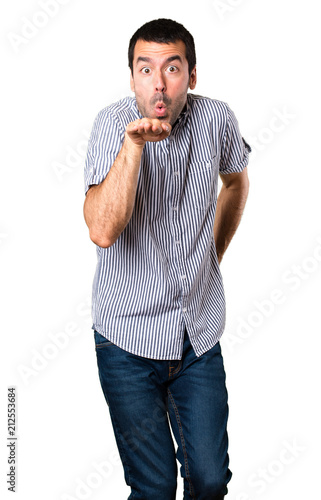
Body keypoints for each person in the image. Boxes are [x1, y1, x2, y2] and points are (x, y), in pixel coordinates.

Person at [83, 18, 251, 500]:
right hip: (126, 342)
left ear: (192, 76)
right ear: (132, 76)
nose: (159, 83)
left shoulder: (217, 119)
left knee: (210, 480)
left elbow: (236, 181)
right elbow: (101, 229)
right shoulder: (110, 126)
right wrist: (134, 147)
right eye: (146, 69)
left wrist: (211, 255)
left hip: (197, 336)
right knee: (154, 488)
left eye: (172, 68)